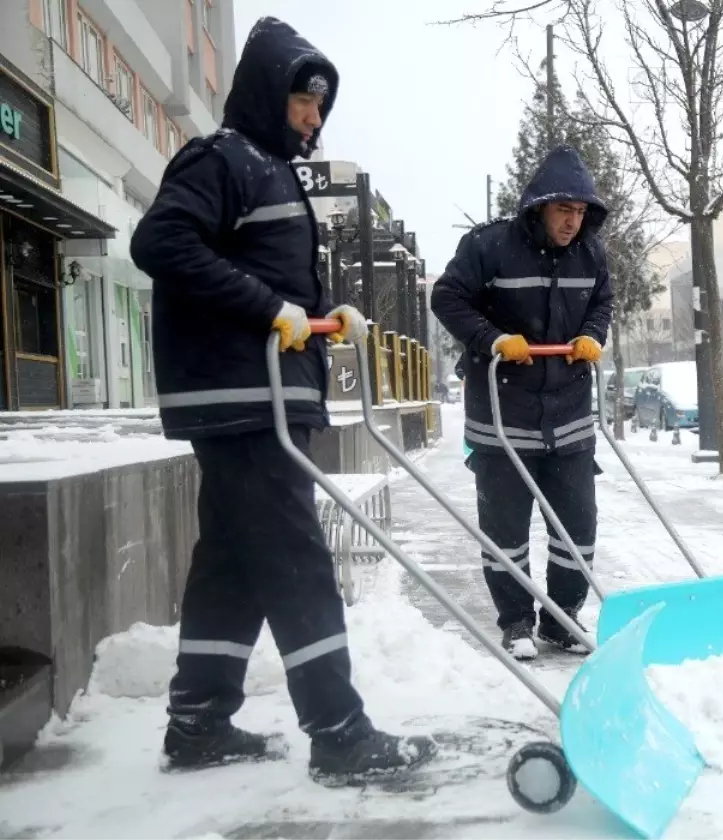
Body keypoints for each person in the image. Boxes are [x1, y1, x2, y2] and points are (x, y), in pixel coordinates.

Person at [129, 15, 436, 785]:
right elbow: (160, 243)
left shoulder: (270, 169)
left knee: (232, 563)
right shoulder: (222, 160)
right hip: (242, 397)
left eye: (322, 108)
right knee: (298, 558)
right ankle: (338, 733)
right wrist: (269, 309)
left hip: (260, 396)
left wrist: (331, 316)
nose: (314, 118)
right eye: (304, 102)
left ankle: (198, 722)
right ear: (271, 94)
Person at [431, 145, 611, 660]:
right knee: (506, 534)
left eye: (580, 213)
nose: (573, 223)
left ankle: (562, 619)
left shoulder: (592, 253)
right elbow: (446, 297)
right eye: (564, 211)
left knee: (577, 529)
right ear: (540, 207)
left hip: (570, 418)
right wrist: (491, 338)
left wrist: (593, 334)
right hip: (503, 420)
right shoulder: (488, 247)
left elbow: (602, 301)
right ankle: (515, 623)